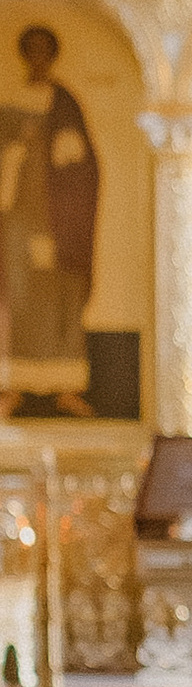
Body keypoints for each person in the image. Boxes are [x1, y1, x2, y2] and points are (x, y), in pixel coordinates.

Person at [0, 23, 100, 415]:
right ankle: (12, 387)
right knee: (18, 298)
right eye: (32, 50)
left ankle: (65, 388)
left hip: (59, 220)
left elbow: (84, 163)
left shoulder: (64, 102)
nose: (38, 58)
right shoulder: (8, 101)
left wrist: (63, 149)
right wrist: (18, 145)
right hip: (19, 219)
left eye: (45, 50)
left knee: (62, 297)